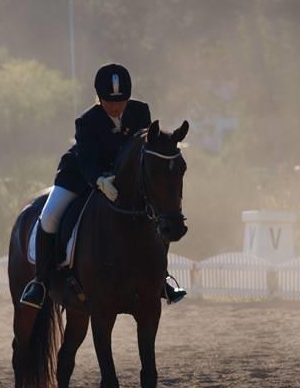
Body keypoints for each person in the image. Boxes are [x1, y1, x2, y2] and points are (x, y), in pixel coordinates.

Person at [20, 63, 187, 309]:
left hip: (125, 182)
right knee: (49, 216)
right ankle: (41, 282)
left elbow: (145, 151)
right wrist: (99, 180)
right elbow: (86, 159)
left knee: (155, 215)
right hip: (81, 175)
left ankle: (160, 278)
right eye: (109, 102)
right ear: (99, 98)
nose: (116, 107)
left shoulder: (140, 112)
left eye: (121, 101)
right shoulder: (87, 121)